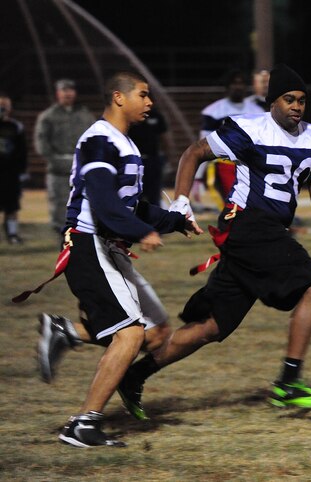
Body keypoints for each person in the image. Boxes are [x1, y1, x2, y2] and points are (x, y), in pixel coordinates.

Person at [116, 64, 311, 419]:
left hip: (264, 233)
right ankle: (289, 384)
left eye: (302, 101)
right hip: (247, 225)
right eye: (289, 99)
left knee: (211, 327)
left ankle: (133, 376)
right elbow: (193, 153)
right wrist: (182, 200)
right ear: (271, 101)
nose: (297, 106)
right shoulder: (248, 128)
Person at [46, 71, 199, 447]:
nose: (150, 102)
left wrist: (175, 221)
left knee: (157, 332)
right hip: (88, 242)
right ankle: (84, 424)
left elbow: (133, 206)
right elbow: (102, 201)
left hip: (109, 246)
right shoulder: (100, 139)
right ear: (119, 97)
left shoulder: (123, 142)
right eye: (143, 95)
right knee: (130, 333)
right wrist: (137, 231)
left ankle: (66, 332)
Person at [193, 70, 265, 211]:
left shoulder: (256, 110)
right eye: (234, 83)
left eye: (241, 83)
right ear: (227, 87)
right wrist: (199, 176)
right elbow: (203, 143)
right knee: (234, 204)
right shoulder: (213, 110)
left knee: (253, 204)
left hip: (252, 165)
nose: (238, 87)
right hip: (225, 164)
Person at [34, 79, 95, 238]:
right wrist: (57, 161)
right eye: (64, 90)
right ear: (58, 93)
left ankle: (84, 236)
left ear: (75, 93)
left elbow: (95, 138)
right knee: (59, 206)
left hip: (82, 168)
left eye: (70, 90)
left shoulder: (85, 114)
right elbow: (42, 143)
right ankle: (62, 241)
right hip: (58, 169)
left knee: (85, 203)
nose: (67, 93)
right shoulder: (48, 116)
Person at [129, 102, 170, 206]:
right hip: (134, 161)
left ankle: (155, 219)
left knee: (154, 194)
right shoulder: (130, 116)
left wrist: (167, 157)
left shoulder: (156, 116)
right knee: (135, 194)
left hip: (153, 159)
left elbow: (165, 138)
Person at [0, 92, 28, 244]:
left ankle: (12, 234)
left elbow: (22, 151)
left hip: (10, 173)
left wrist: (22, 171)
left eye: (5, 106)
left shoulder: (15, 126)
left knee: (12, 206)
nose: (2, 109)